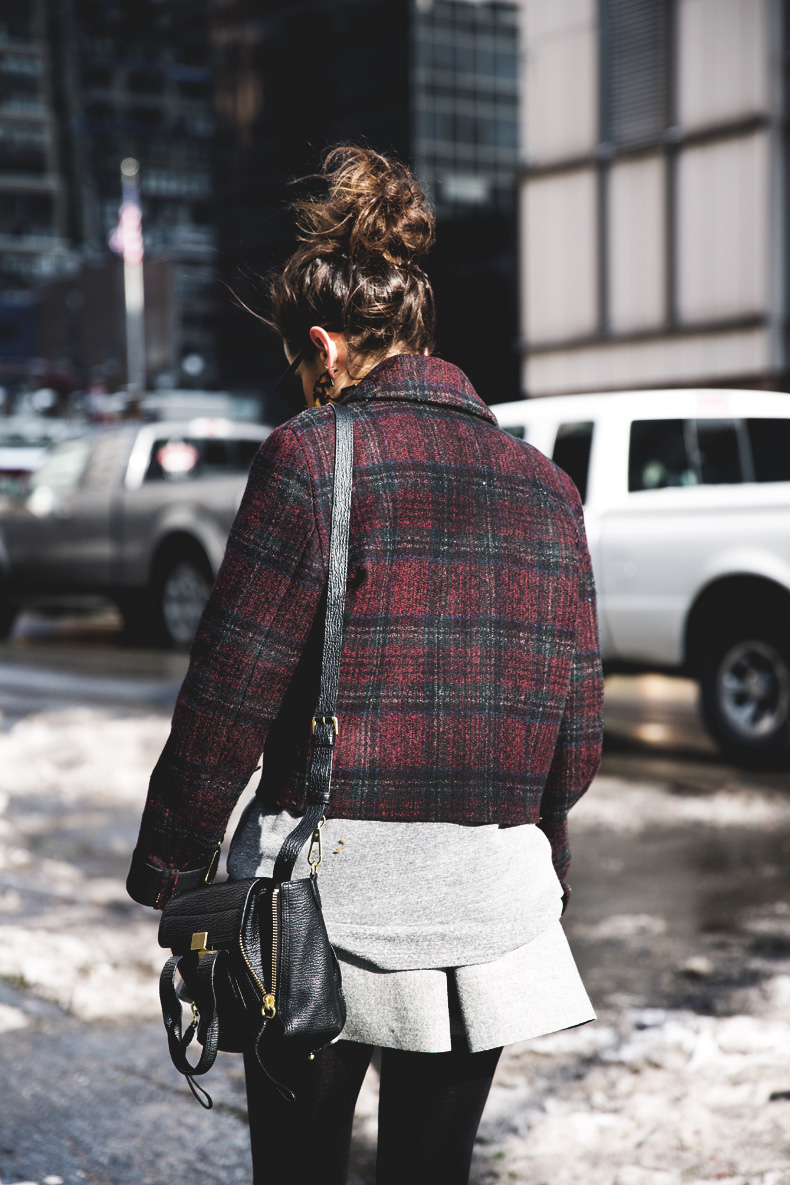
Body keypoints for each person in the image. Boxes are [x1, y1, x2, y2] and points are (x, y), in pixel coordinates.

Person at [127, 145, 604, 1185]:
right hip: (489, 902)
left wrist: (169, 871)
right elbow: (573, 743)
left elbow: (228, 695)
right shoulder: (546, 488)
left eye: (303, 368)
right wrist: (537, 862)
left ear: (325, 347)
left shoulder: (310, 454)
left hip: (325, 911)